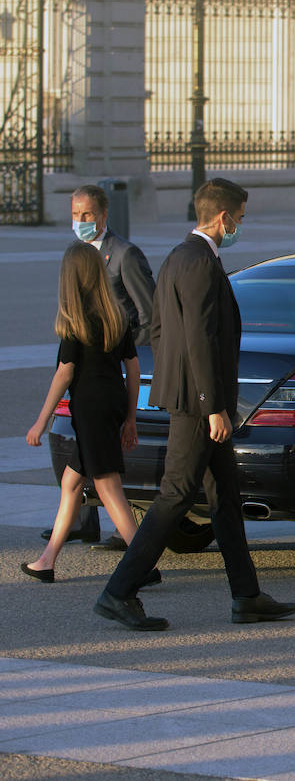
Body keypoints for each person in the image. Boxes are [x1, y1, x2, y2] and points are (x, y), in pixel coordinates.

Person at [95, 178, 295, 631]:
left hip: (191, 395)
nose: (241, 226)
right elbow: (199, 339)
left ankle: (247, 596)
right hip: (197, 404)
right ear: (223, 217)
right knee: (176, 494)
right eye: (240, 219)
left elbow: (166, 332)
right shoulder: (200, 262)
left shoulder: (179, 257)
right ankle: (119, 591)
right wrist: (210, 405)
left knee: (226, 497)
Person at [21, 244, 144, 583]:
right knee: (72, 482)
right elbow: (132, 369)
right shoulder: (115, 316)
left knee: (107, 485)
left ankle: (142, 563)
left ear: (70, 278)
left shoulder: (76, 321)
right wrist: (130, 416)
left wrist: (41, 421)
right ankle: (47, 561)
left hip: (89, 410)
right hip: (112, 403)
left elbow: (64, 373)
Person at [45, 186, 157, 551]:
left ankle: (136, 552)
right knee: (75, 473)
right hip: (91, 374)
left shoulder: (125, 254)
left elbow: (149, 313)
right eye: (76, 215)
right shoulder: (75, 254)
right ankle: (77, 526)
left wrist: (116, 346)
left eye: (88, 215)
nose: (81, 221)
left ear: (104, 215)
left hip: (110, 369)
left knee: (104, 473)